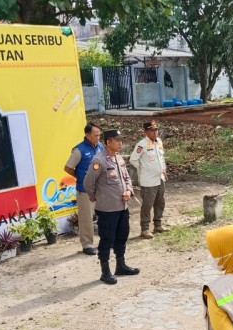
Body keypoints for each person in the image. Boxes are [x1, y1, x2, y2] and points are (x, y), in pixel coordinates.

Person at [82, 129, 140, 285]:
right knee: (107, 240)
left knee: (122, 236)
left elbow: (127, 178)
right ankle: (105, 271)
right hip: (107, 210)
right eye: (117, 140)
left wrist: (128, 191)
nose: (120, 143)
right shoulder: (99, 160)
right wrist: (98, 198)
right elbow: (88, 183)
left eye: (121, 140)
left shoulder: (119, 159)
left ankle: (120, 266)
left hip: (122, 207)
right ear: (108, 142)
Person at [64, 123, 103, 255]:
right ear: (87, 135)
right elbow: (68, 168)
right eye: (95, 135)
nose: (98, 138)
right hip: (85, 190)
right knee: (86, 217)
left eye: (99, 135)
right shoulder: (79, 150)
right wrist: (80, 177)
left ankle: (105, 240)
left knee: (104, 214)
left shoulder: (100, 147)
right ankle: (87, 245)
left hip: (101, 188)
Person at [129, 120, 167, 239]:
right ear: (145, 132)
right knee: (147, 204)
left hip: (160, 177)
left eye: (156, 130)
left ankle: (158, 224)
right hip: (148, 180)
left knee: (160, 202)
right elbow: (133, 160)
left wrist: (163, 169)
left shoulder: (159, 142)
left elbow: (161, 158)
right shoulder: (142, 144)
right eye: (151, 130)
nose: (155, 132)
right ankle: (145, 229)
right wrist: (143, 169)